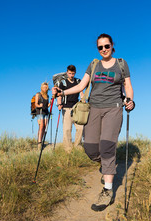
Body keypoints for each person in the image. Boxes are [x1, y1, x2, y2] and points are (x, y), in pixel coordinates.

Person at [52, 34, 135, 211]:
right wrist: (62, 93)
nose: (104, 49)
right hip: (94, 108)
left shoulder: (121, 64)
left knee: (106, 146)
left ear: (113, 46)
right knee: (90, 148)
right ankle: (106, 166)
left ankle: (107, 190)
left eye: (107, 46)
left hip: (114, 108)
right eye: (100, 47)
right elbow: (82, 85)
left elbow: (128, 85)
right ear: (98, 49)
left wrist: (130, 100)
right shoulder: (94, 64)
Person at [57, 65, 84, 152]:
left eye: (73, 73)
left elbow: (81, 91)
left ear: (75, 73)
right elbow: (59, 94)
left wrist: (83, 98)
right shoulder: (63, 83)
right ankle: (68, 149)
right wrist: (59, 104)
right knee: (67, 129)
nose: (71, 75)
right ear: (67, 73)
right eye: (69, 73)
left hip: (77, 108)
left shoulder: (78, 81)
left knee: (80, 128)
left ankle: (77, 146)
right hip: (66, 108)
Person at [35, 82, 50, 150]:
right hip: (40, 112)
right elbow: (36, 104)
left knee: (45, 126)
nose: (44, 88)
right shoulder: (38, 94)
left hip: (46, 112)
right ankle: (39, 142)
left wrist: (50, 104)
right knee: (41, 126)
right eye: (43, 87)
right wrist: (39, 105)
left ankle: (42, 140)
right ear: (41, 87)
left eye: (46, 87)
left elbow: (46, 106)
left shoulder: (47, 96)